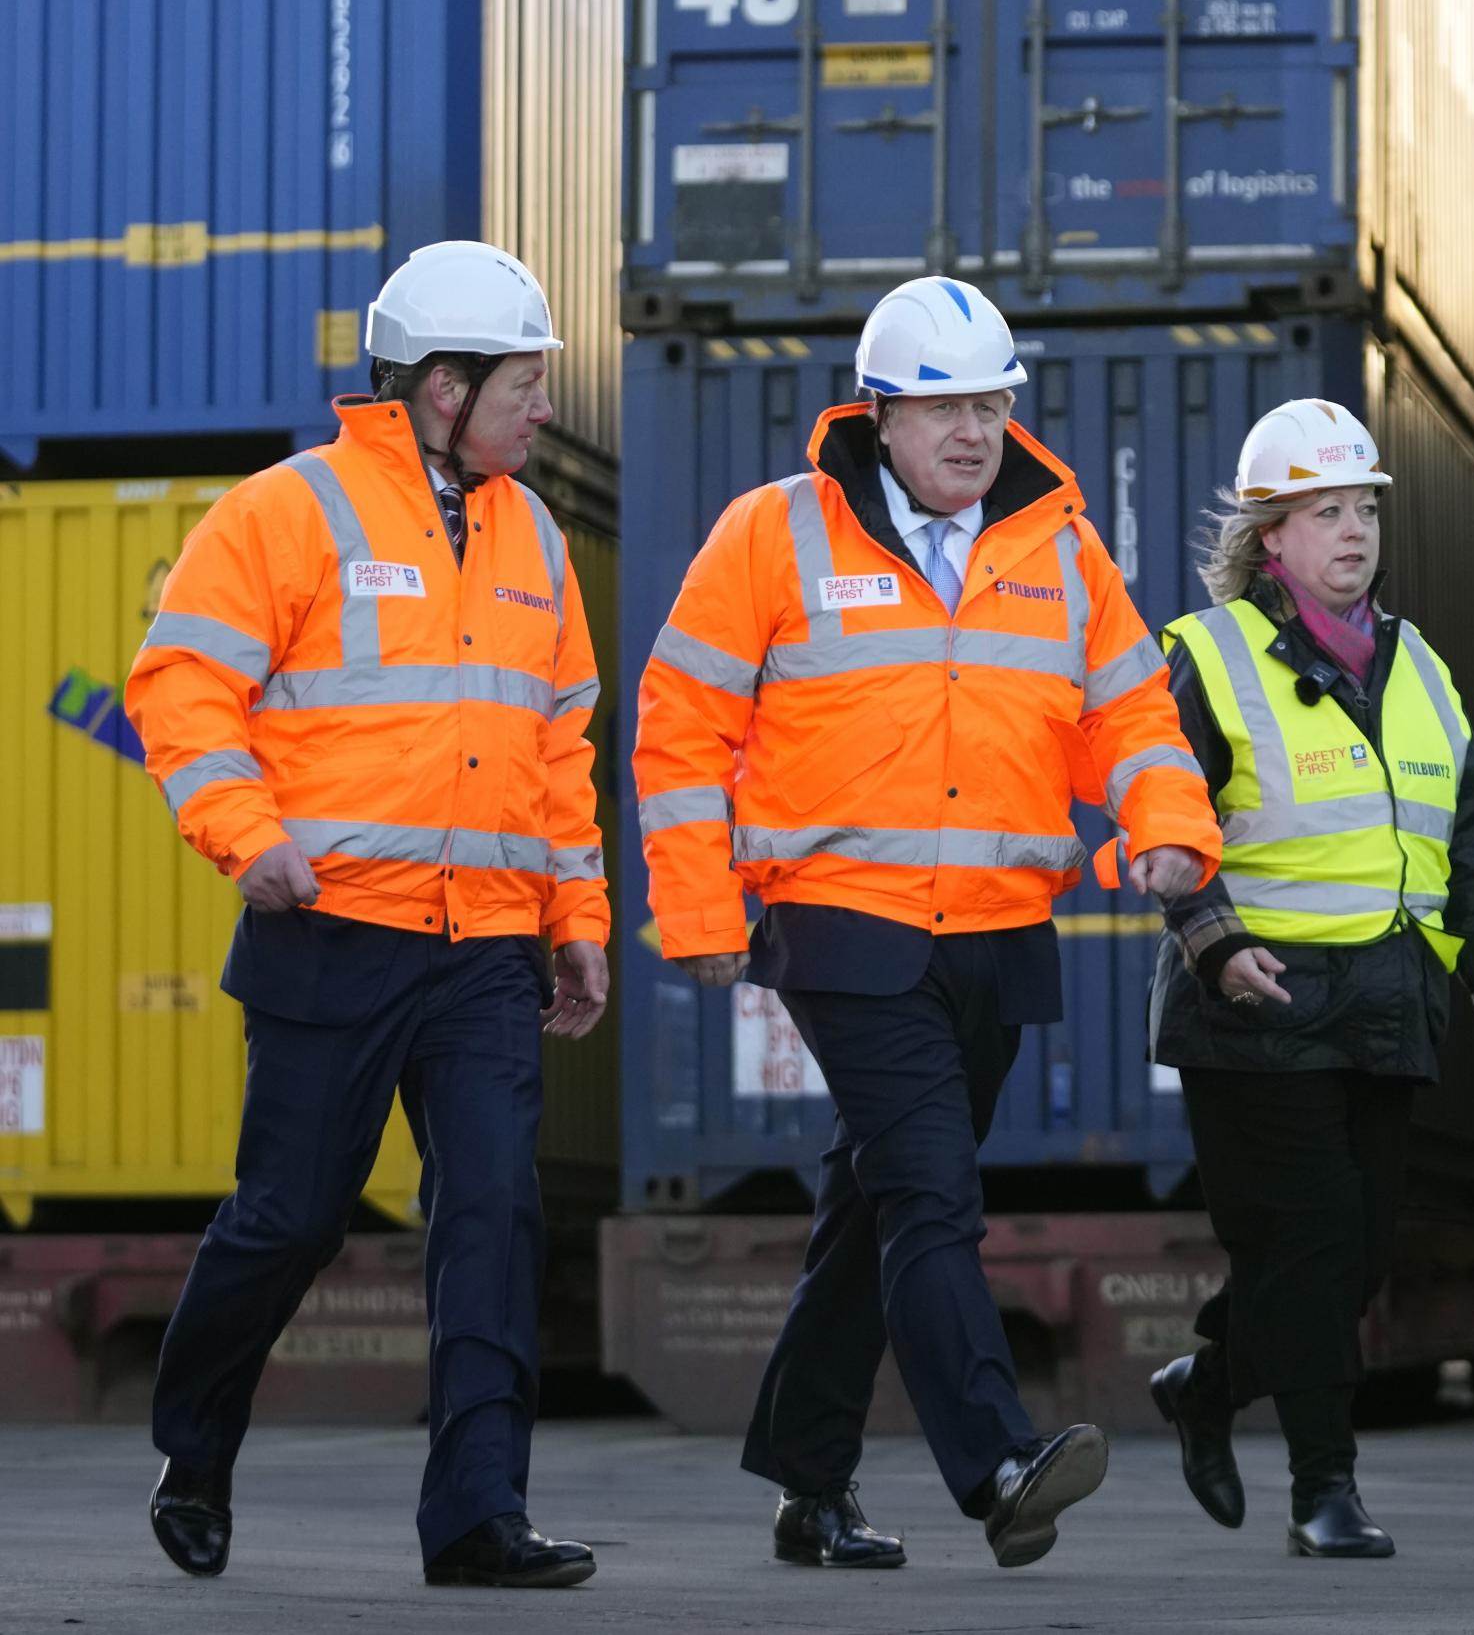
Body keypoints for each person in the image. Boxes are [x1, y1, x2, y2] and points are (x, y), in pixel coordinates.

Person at [632, 275, 1221, 1570]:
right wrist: (696, 905)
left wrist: (1170, 825)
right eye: (944, 407)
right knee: (931, 1192)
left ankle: (806, 1478)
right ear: (879, 415)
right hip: (845, 925)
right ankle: (998, 1461)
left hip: (1001, 935)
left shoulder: (1060, 552)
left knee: (872, 1205)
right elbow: (682, 726)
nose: (973, 430)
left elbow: (1129, 717)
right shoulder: (775, 535)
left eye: (992, 403)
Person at [126, 240, 611, 1587]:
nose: (546, 407)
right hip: (330, 930)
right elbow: (179, 690)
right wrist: (247, 840)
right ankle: (195, 1451)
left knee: (494, 1215)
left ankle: (476, 1517)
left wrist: (577, 920)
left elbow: (559, 749)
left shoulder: (536, 536)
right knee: (290, 1216)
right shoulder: (287, 512)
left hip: (484, 952)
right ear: (442, 388)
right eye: (525, 381)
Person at [1143, 399, 1474, 1560]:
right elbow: (1166, 814)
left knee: (1355, 1255)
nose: (1355, 529)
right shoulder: (1205, 654)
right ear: (1273, 534)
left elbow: (1471, 834)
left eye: (1364, 505)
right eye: (1327, 510)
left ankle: (1211, 1383)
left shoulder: (1420, 665)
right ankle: (1328, 1488)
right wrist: (1211, 932)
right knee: (1312, 1245)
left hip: (1385, 1001)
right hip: (1253, 1003)